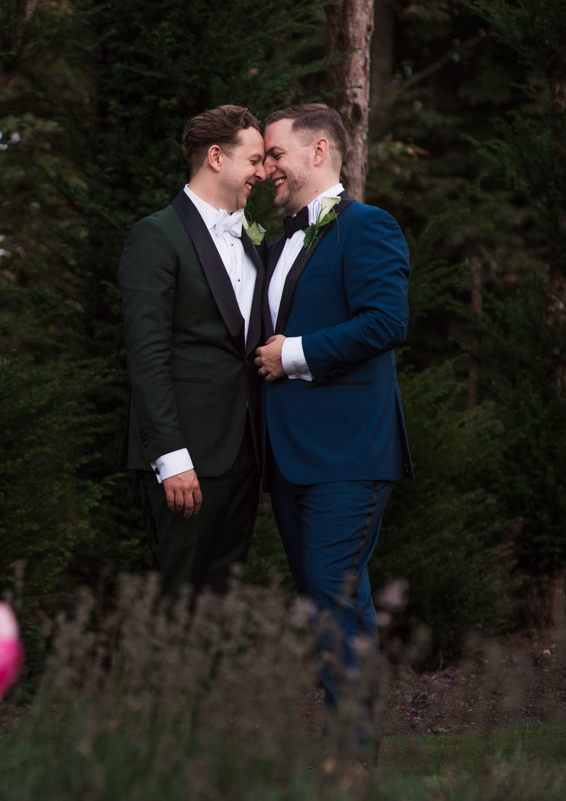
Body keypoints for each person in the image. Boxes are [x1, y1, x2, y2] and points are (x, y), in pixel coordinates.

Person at [253, 103, 413, 746]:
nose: (266, 170)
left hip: (349, 455)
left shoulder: (368, 227)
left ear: (319, 152)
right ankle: (353, 746)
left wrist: (290, 353)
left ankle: (352, 757)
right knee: (335, 599)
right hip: (289, 458)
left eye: (275, 156)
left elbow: (386, 323)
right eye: (261, 159)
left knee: (330, 596)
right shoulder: (277, 241)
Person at [118, 105, 267, 597]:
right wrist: (171, 456)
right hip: (188, 461)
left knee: (220, 606)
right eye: (255, 160)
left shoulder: (251, 237)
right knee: (176, 603)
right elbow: (147, 355)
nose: (262, 173)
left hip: (245, 453)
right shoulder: (156, 235)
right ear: (217, 157)